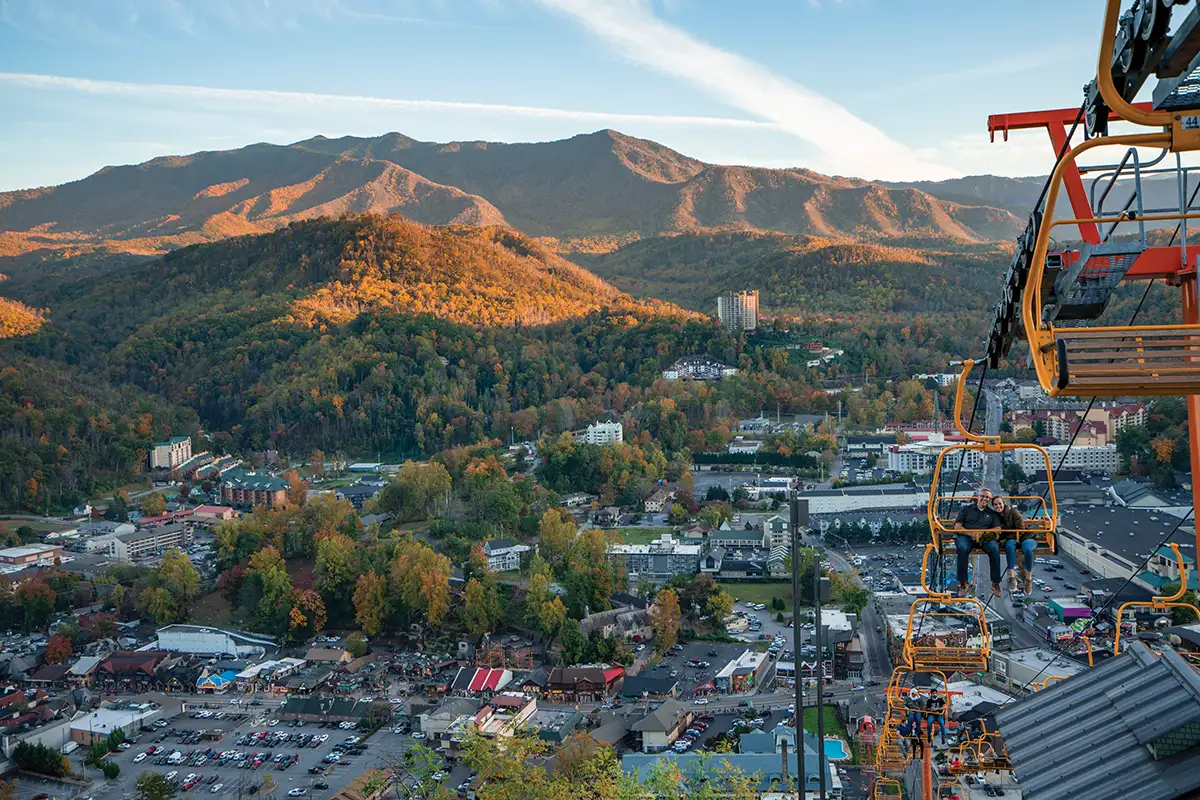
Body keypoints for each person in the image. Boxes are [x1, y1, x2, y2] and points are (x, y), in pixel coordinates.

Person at [953, 488, 1002, 597]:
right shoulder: (966, 509)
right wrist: (971, 533)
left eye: (987, 497)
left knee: (994, 549)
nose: (984, 499)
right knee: (962, 548)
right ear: (977, 497)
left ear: (990, 500)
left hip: (984, 538)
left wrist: (983, 533)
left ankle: (996, 583)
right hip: (967, 536)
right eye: (982, 496)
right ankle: (963, 583)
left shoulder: (992, 513)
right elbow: (957, 526)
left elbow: (997, 528)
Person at [993, 495, 1036, 594]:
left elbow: (1021, 529)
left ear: (1004, 503)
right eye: (995, 504)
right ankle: (1012, 577)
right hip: (1010, 539)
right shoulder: (994, 516)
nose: (998, 506)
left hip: (1024, 536)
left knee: (1027, 549)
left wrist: (1007, 538)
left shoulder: (1013, 512)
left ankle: (1028, 579)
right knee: (1009, 546)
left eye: (999, 503)